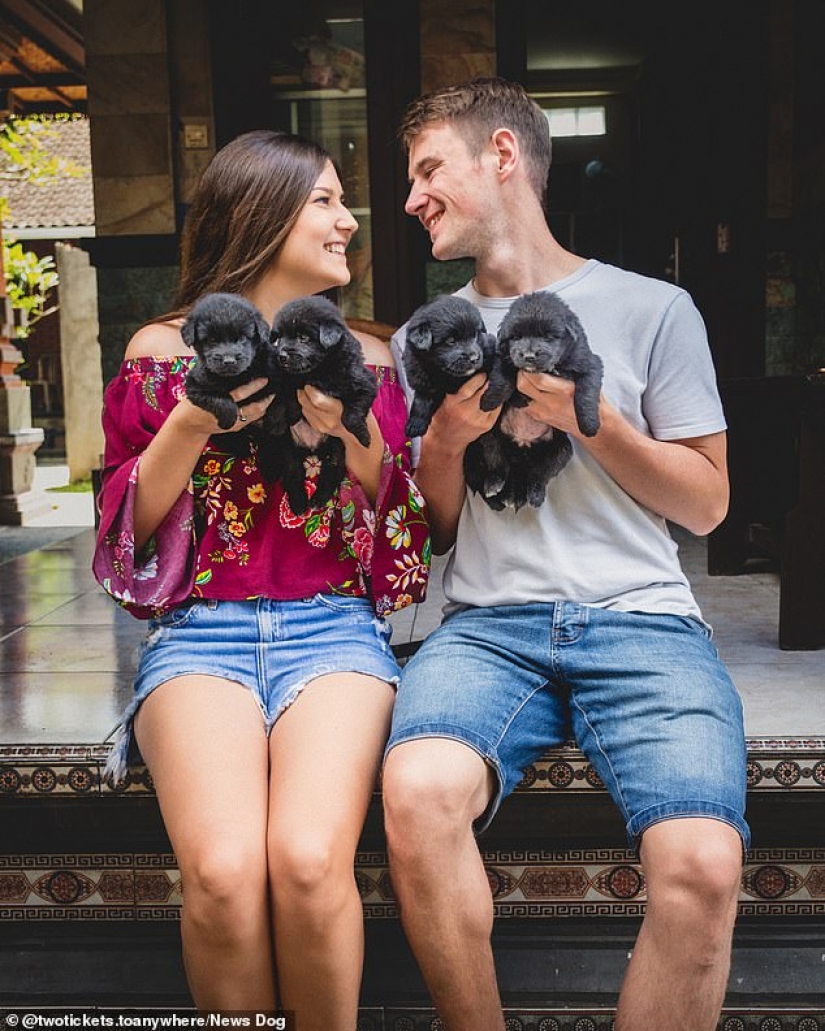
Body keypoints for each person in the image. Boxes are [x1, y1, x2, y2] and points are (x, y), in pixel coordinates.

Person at [382, 77, 748, 1031]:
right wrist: (448, 445)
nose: (411, 198)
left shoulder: (653, 308)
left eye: (428, 171)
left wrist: (588, 422)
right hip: (487, 628)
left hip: (641, 620)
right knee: (417, 797)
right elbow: (432, 534)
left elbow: (705, 505)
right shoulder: (424, 337)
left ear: (502, 156)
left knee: (703, 861)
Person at [92, 130, 430, 1027]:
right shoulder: (159, 352)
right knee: (221, 869)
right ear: (260, 209)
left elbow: (404, 543)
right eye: (323, 199)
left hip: (334, 633)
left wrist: (349, 425)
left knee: (312, 860)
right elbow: (130, 541)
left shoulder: (373, 357)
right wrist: (193, 423)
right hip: (201, 632)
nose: (348, 218)